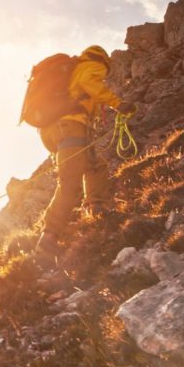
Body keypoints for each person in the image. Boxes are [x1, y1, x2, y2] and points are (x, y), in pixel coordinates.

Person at [34, 45, 136, 257]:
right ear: (104, 61)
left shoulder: (74, 69)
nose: (104, 74)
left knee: (96, 166)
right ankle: (49, 236)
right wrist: (118, 104)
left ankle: (96, 209)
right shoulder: (91, 65)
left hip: (58, 131)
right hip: (71, 126)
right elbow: (89, 83)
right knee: (70, 181)